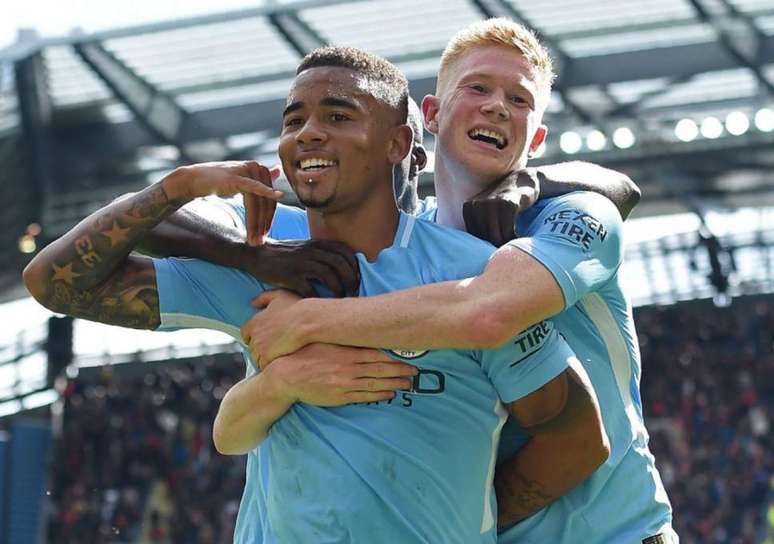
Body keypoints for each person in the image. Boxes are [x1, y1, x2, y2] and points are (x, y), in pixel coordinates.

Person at [23, 46, 607, 543]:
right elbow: (54, 281)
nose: (309, 133)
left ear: (398, 144)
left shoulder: (472, 274)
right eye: (293, 119)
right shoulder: (262, 264)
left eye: (338, 115)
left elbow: (575, 436)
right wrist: (179, 186)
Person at [241, 19, 676, 543]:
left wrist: (305, 320)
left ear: (536, 139)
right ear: (432, 113)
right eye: (478, 87)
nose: (497, 105)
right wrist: (186, 186)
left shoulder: (575, 213)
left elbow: (488, 313)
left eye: (519, 99)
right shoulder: (404, 242)